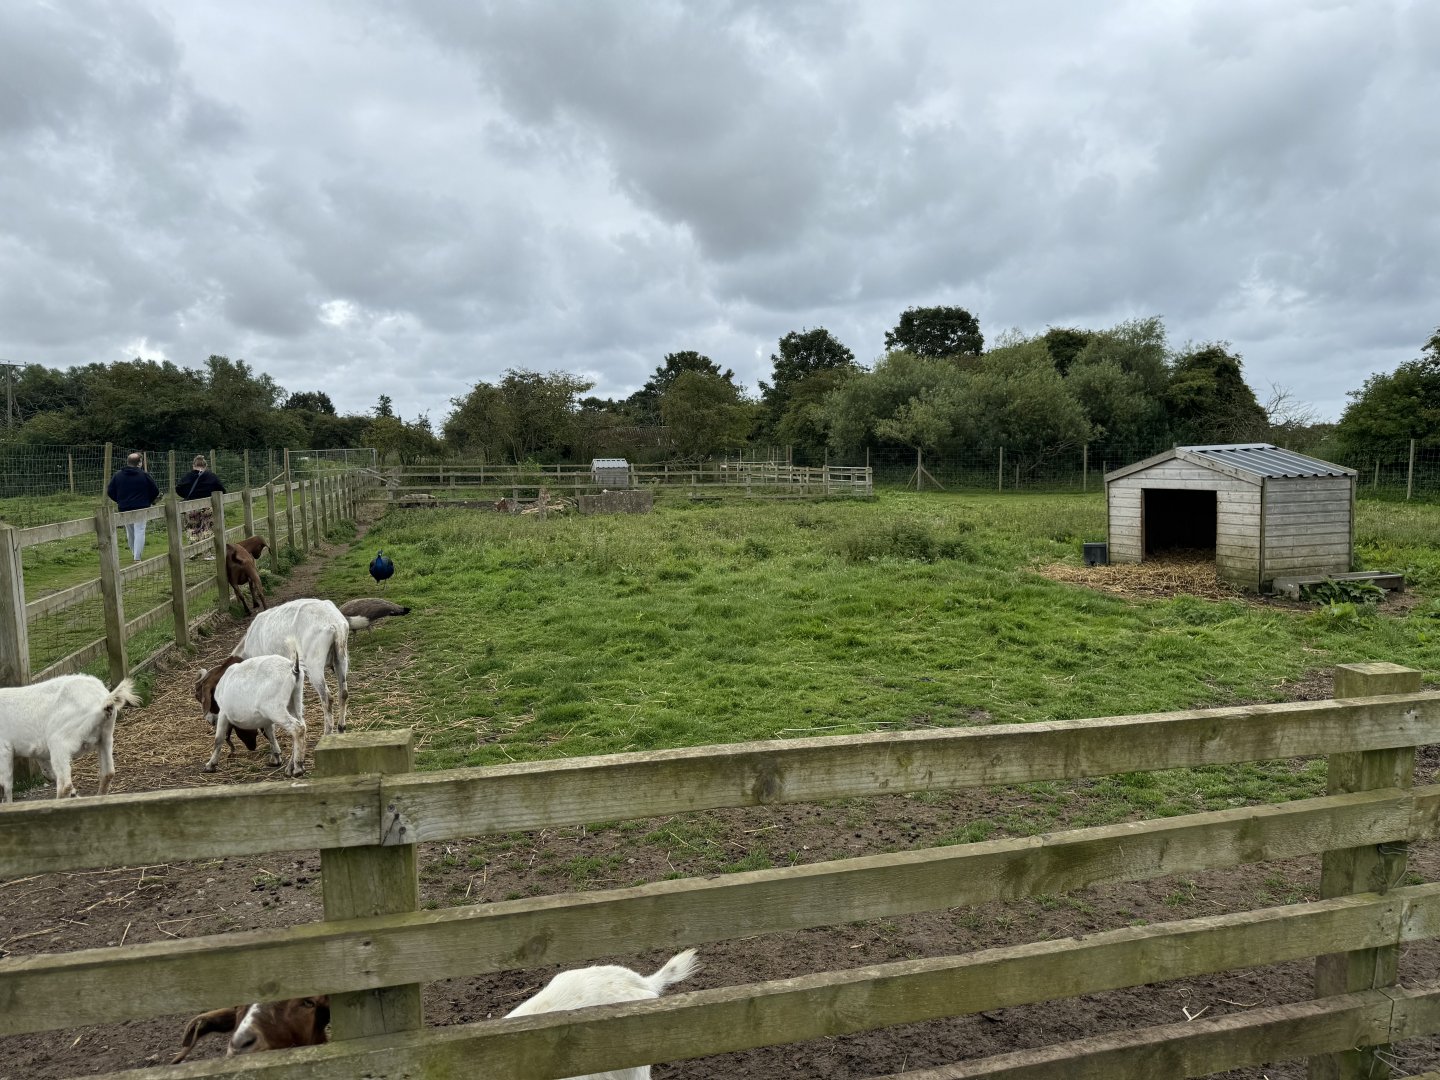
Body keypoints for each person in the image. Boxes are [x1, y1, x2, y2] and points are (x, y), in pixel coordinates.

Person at [106, 452, 160, 562]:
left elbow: (110, 491)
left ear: (128, 462)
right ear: (139, 463)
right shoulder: (144, 475)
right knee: (139, 530)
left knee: (130, 532)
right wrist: (148, 500)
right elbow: (155, 490)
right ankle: (137, 557)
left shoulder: (118, 475)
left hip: (124, 507)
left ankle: (134, 553)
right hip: (141, 507)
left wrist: (119, 500)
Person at [176, 455, 226, 551]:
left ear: (193, 465)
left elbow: (178, 489)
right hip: (207, 507)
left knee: (192, 527)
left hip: (190, 507)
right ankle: (206, 551)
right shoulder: (211, 476)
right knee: (207, 527)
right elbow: (222, 490)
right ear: (205, 466)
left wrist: (187, 495)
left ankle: (194, 550)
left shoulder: (187, 476)